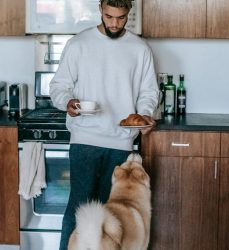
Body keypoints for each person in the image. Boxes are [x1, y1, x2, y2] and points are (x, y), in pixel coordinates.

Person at [49, 0, 159, 249]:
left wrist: (143, 116)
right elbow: (58, 86)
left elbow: (149, 92)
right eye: (109, 16)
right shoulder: (79, 44)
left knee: (111, 217)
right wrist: (67, 101)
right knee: (79, 210)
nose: (114, 23)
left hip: (121, 141)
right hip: (84, 140)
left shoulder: (140, 49)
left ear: (128, 13)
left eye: (120, 18)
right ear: (100, 9)